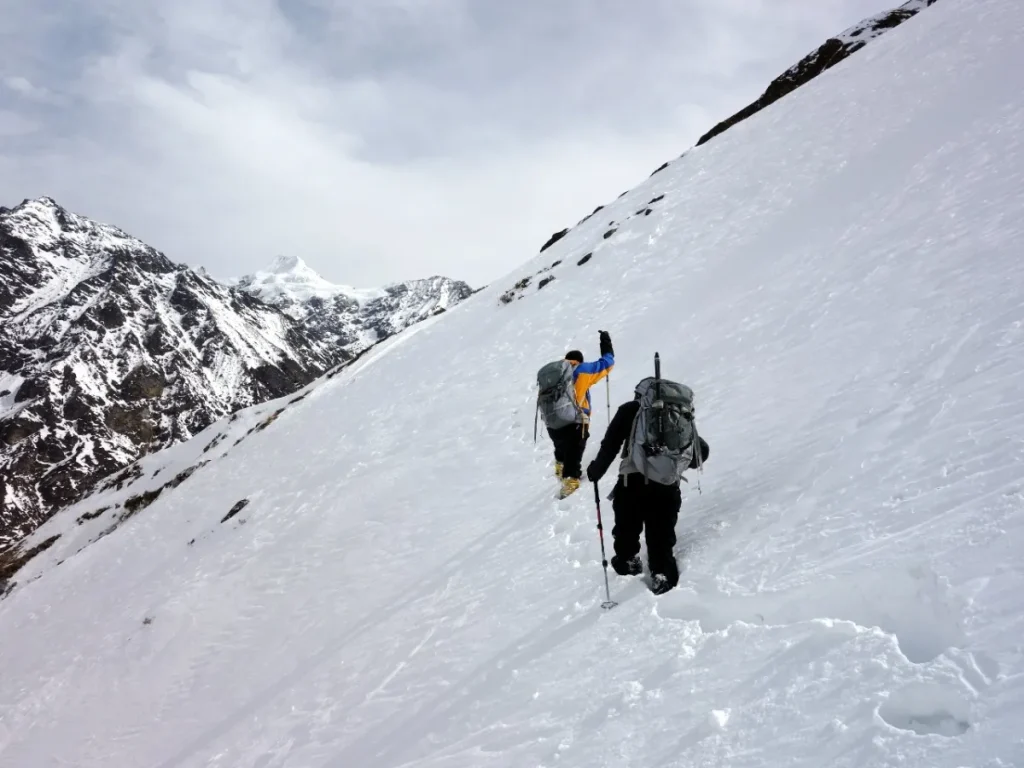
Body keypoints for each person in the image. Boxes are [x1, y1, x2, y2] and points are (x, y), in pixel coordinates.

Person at [585, 379, 709, 594]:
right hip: (667, 486)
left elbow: (610, 445)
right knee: (661, 534)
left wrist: (596, 470)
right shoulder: (680, 415)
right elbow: (700, 454)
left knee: (626, 531)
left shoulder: (630, 410)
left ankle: (628, 564)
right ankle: (662, 575)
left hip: (631, 482)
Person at [549, 331, 614, 498]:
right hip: (576, 418)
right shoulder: (583, 369)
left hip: (553, 421)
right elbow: (608, 364)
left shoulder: (554, 374)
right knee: (576, 446)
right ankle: (571, 479)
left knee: (562, 443)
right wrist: (605, 342)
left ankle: (560, 466)